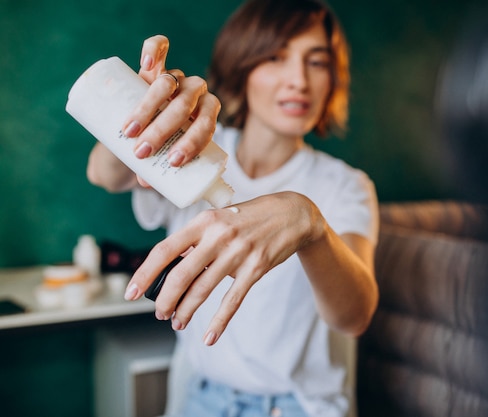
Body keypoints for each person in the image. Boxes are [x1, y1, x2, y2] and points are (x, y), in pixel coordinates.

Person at [86, 0, 379, 416]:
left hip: (294, 406)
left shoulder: (344, 186)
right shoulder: (194, 145)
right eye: (277, 57)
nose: (299, 80)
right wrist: (143, 112)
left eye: (316, 62)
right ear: (242, 65)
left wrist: (310, 224)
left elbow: (355, 315)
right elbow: (103, 174)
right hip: (200, 398)